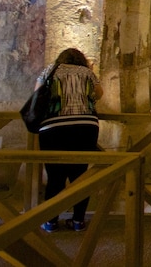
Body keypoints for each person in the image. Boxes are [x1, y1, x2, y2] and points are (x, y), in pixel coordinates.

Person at [37, 48, 103, 232]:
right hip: (85, 127)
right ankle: (78, 221)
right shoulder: (87, 72)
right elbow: (98, 94)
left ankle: (50, 220)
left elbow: (37, 95)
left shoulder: (50, 71)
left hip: (53, 128)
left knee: (55, 177)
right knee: (80, 176)